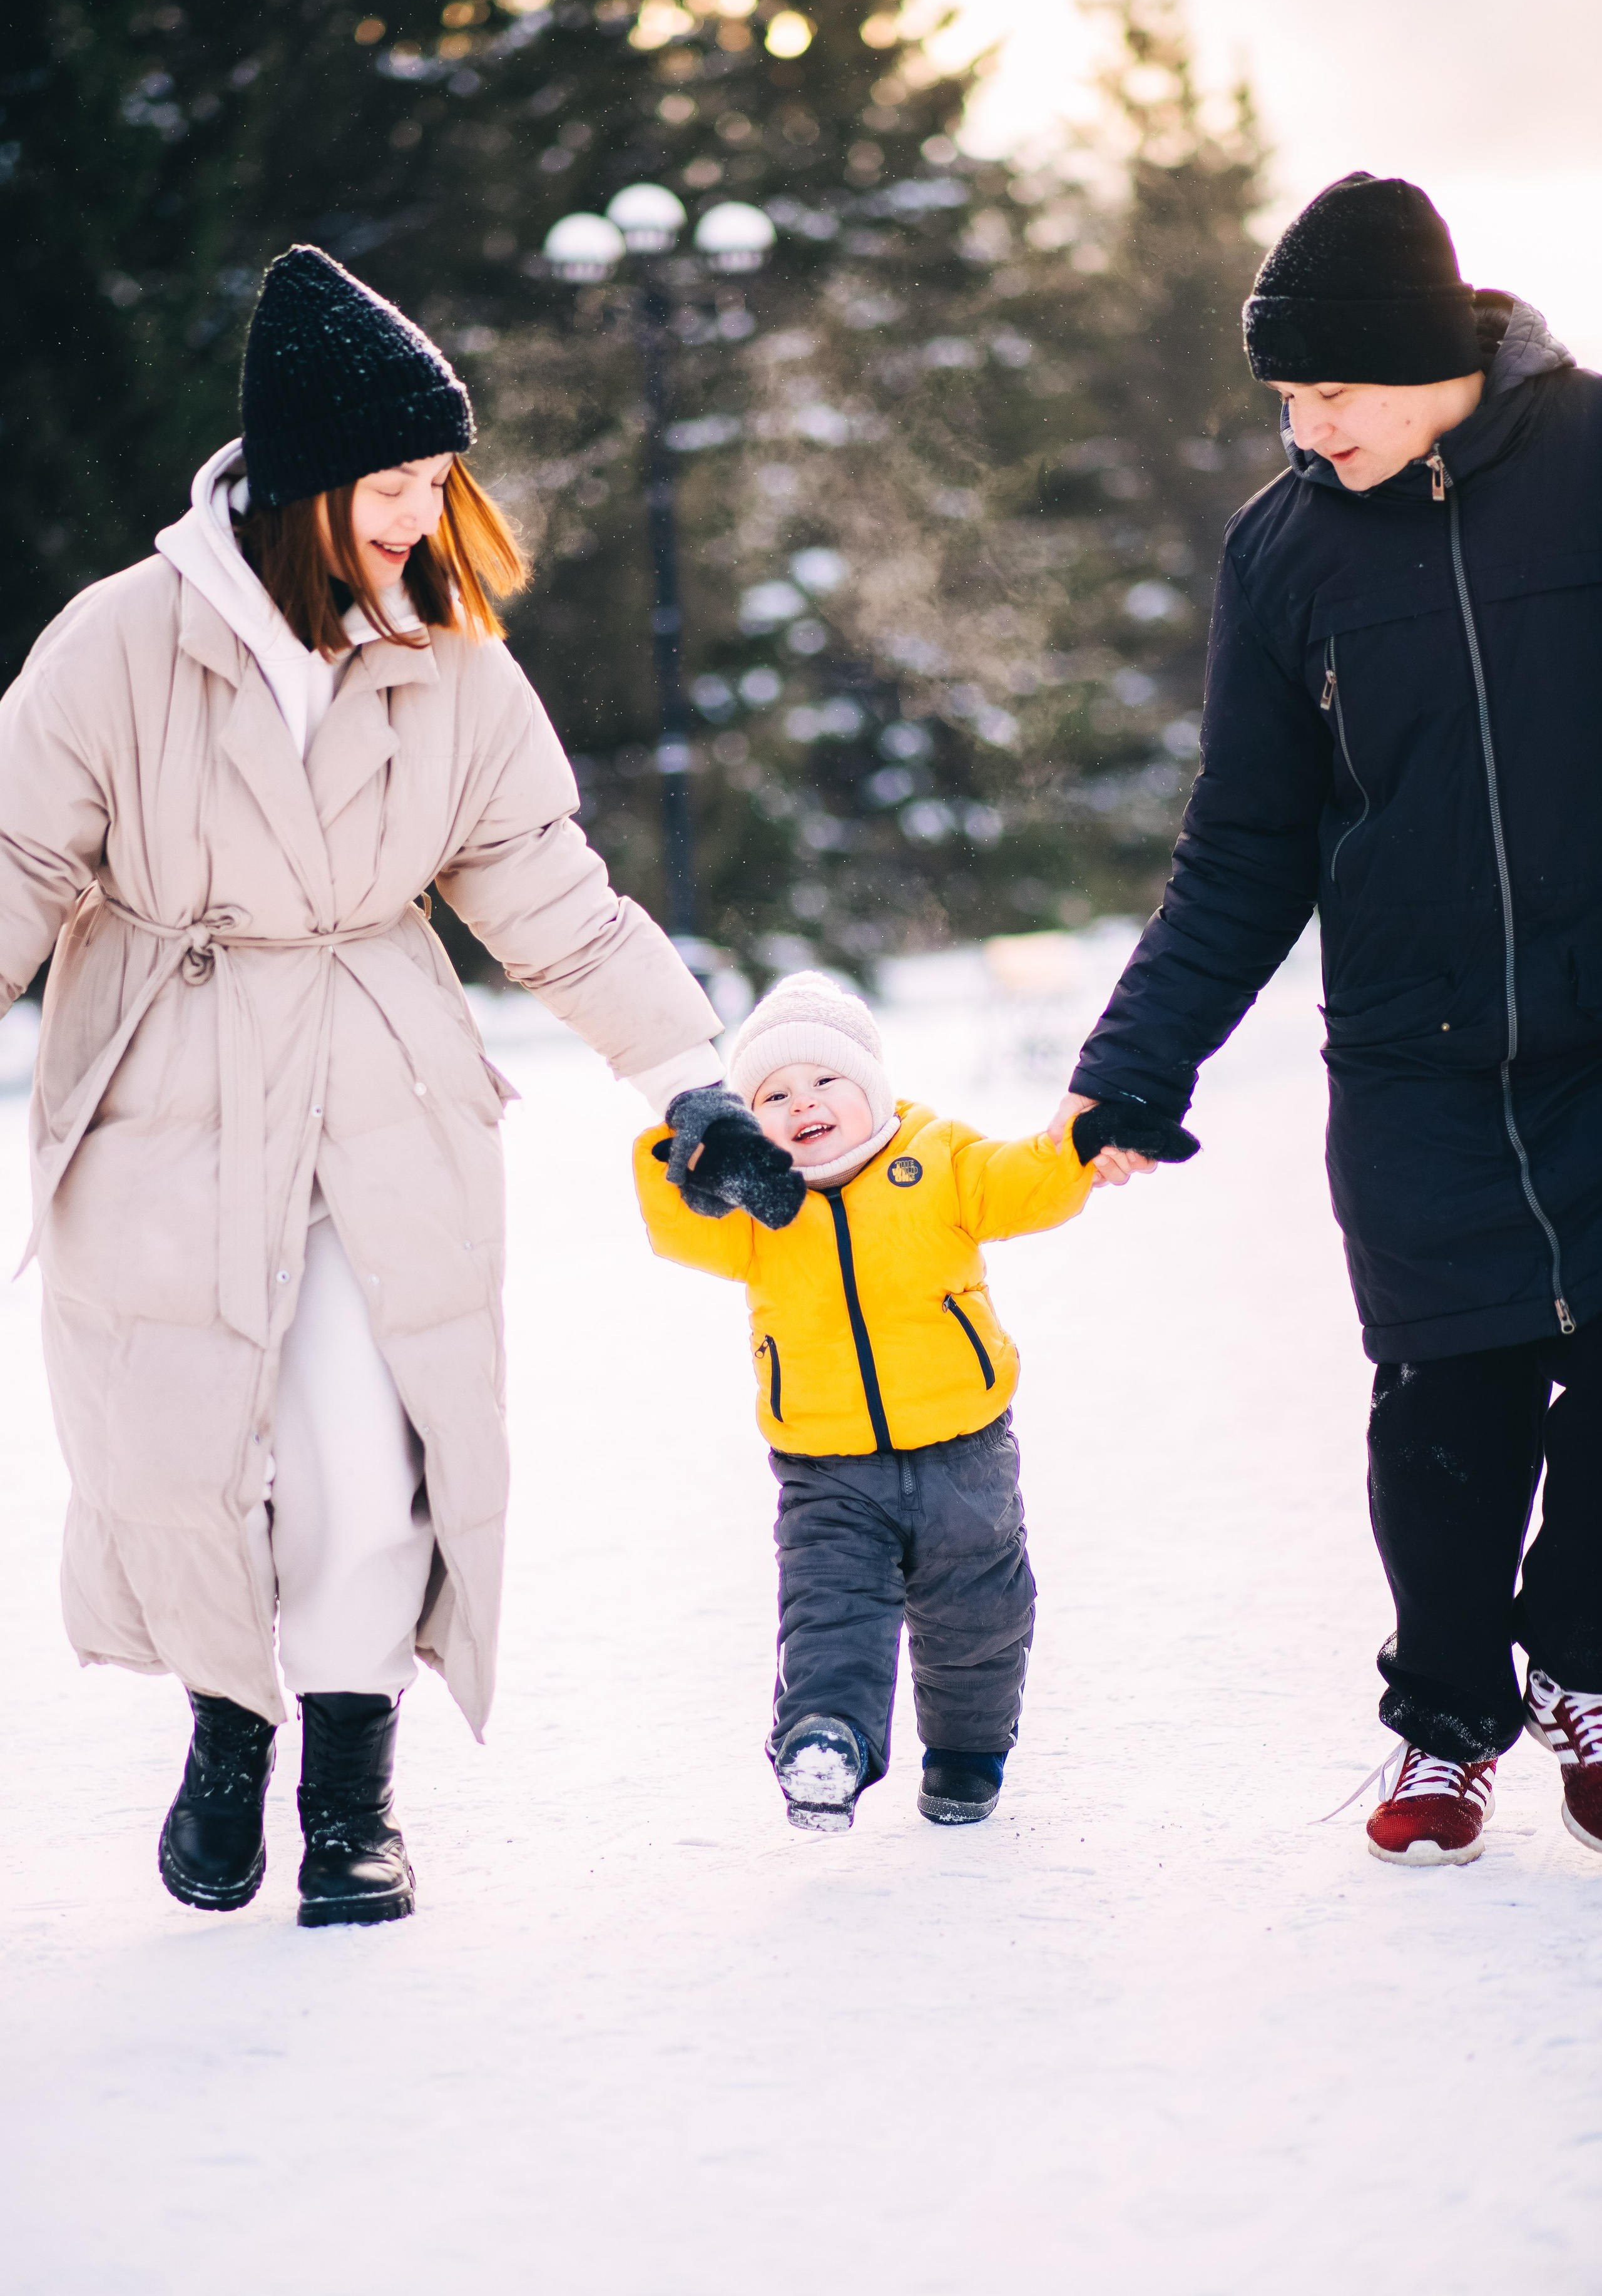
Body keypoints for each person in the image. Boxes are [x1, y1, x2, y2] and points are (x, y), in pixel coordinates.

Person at [0, 243, 737, 1925]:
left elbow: (542, 880)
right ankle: (223, 1727)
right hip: (164, 1084)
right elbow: (15, 859)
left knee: (361, 1443)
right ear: (302, 478)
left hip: (377, 1080)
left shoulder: (451, 658)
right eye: (391, 483)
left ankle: (349, 1791)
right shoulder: (118, 644)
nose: (418, 514)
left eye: (435, 482)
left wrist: (685, 1075)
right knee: (182, 1450)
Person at [1058, 172, 1602, 1868]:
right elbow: (1246, 839)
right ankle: (1448, 1718)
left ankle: (1585, 1662)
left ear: (1429, 360)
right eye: (1285, 399)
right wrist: (1138, 1062)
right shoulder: (1286, 553)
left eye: (1330, 392)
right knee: (1449, 1413)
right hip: (1416, 1055)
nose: (1306, 427)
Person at [636, 971, 1187, 1832]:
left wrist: (1083, 1144)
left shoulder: (937, 1160)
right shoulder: (758, 1208)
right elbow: (679, 1224)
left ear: (873, 1088)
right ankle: (827, 1741)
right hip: (826, 1467)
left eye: (825, 1081)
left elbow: (1022, 1182)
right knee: (829, 1610)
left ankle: (968, 1756)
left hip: (964, 1453)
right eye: (773, 1094)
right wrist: (688, 1153)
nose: (803, 1102)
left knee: (981, 1614)